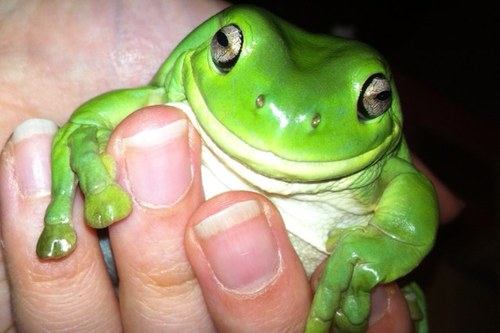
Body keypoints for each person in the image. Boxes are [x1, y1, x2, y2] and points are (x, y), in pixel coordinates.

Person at [0, 0, 463, 331]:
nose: (284, 118)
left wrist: (376, 255)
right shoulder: (177, 90)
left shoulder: (383, 171)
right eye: (228, 47)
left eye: (373, 98)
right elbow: (86, 124)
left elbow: (417, 212)